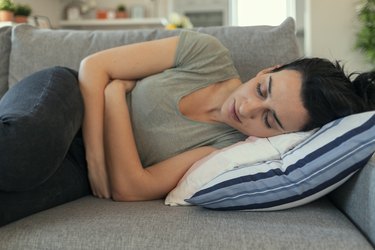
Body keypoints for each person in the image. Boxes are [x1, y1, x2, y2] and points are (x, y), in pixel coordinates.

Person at [0, 30, 374, 226]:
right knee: (25, 149)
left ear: (285, 137)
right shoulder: (206, 54)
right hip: (66, 96)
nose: (247, 108)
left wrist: (116, 96)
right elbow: (93, 68)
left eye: (269, 120)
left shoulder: (223, 149)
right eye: (263, 90)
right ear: (267, 70)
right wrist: (100, 161)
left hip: (75, 165)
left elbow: (133, 189)